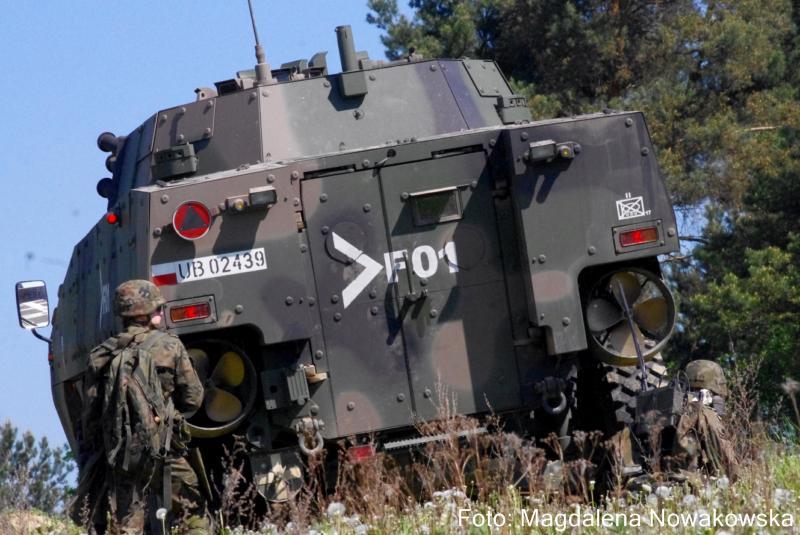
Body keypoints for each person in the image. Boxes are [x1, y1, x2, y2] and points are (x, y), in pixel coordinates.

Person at [72, 279, 207, 533]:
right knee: (193, 509)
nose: (160, 313)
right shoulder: (170, 346)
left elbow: (90, 415)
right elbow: (193, 398)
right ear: (149, 313)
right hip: (161, 450)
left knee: (128, 522)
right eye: (158, 309)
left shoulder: (100, 355)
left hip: (120, 455)